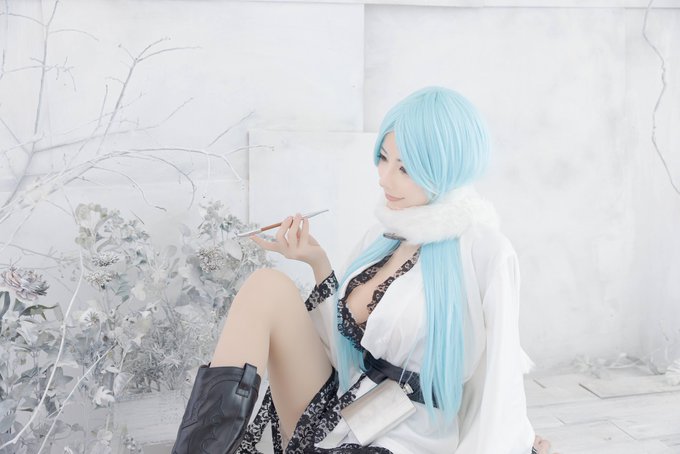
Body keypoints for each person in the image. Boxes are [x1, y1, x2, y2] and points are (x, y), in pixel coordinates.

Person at [171, 86, 559, 454]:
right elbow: (341, 348)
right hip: (340, 407)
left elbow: (500, 372)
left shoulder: (483, 250)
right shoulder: (384, 234)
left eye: (404, 168)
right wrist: (318, 263)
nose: (384, 177)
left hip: (405, 436)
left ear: (444, 169)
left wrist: (517, 443)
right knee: (266, 286)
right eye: (384, 158)